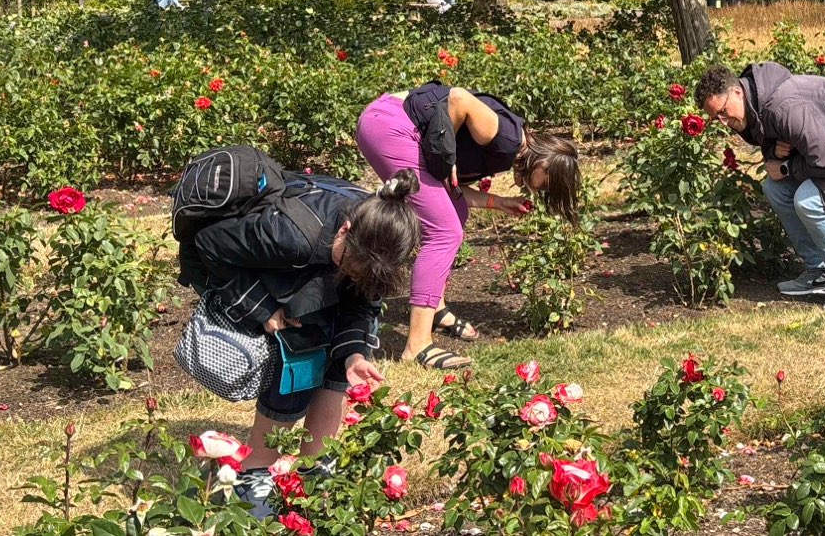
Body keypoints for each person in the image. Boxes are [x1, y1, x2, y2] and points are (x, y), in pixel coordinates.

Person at [176, 171, 423, 518]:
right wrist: (262, 307)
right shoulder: (289, 234)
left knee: (337, 371)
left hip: (313, 289)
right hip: (279, 288)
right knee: (292, 377)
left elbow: (362, 303)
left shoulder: (377, 238)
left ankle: (314, 475)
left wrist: (354, 354)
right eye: (350, 267)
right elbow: (210, 243)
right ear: (346, 230)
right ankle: (254, 478)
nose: (355, 277)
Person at [354, 81, 581, 369]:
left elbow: (451, 188)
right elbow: (458, 99)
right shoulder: (508, 138)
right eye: (546, 185)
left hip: (388, 122)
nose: (539, 190)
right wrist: (444, 153)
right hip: (390, 125)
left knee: (454, 213)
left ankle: (434, 307)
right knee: (445, 231)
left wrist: (497, 201)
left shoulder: (508, 147)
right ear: (544, 166)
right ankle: (417, 345)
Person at [693, 62, 825, 311]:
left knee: (809, 200)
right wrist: (774, 151)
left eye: (722, 112)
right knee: (776, 190)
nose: (722, 121)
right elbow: (775, 139)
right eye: (715, 118)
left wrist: (785, 168)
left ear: (737, 92)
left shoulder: (785, 106)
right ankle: (820, 272)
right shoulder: (756, 105)